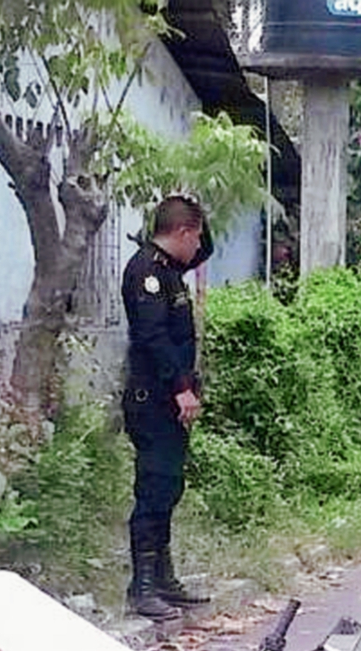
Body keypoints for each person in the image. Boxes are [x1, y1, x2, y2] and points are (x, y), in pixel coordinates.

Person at [121, 195, 214, 619]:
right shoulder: (147, 272)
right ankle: (142, 587)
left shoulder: (172, 269)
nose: (199, 248)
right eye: (193, 236)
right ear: (181, 233)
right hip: (153, 399)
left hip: (171, 402)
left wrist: (197, 209)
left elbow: (206, 249)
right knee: (153, 488)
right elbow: (152, 338)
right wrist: (181, 388)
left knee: (170, 487)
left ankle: (163, 577)